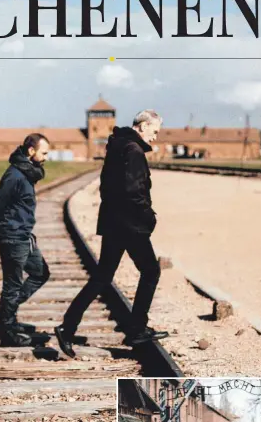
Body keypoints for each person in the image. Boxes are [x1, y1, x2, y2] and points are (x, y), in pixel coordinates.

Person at [55, 110, 169, 358]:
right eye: (155, 131)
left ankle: (67, 327)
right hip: (130, 224)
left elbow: (107, 187)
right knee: (151, 271)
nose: (156, 137)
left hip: (114, 222)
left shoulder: (118, 146)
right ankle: (137, 329)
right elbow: (134, 191)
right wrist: (148, 216)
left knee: (102, 277)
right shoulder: (135, 151)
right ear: (143, 126)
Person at [0, 133, 51, 347]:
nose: (47, 157)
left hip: (23, 234)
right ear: (31, 151)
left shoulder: (26, 173)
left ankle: (6, 313)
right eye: (44, 152)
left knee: (40, 273)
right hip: (12, 236)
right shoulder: (15, 175)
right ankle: (8, 333)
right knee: (12, 285)